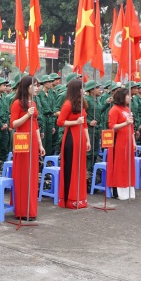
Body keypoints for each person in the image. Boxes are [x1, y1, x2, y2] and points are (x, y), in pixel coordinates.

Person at [9, 75, 45, 219]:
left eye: (37, 85)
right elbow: (13, 124)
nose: (37, 88)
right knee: (23, 175)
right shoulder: (17, 103)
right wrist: (26, 115)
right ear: (26, 87)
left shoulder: (34, 103)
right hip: (22, 141)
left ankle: (31, 209)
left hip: (33, 142)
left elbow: (35, 125)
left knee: (32, 175)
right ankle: (22, 210)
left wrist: (40, 144)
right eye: (34, 85)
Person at [56, 79, 90, 208]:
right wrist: (76, 122)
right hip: (71, 137)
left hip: (81, 137)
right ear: (76, 90)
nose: (84, 91)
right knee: (71, 166)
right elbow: (60, 122)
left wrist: (87, 140)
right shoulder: (68, 104)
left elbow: (85, 123)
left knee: (80, 167)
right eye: (82, 88)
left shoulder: (81, 103)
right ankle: (68, 198)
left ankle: (78, 197)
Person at [106, 87, 136, 200]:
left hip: (128, 140)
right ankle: (118, 189)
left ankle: (128, 187)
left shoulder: (127, 109)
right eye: (128, 95)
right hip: (118, 140)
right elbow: (112, 126)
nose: (130, 97)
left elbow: (131, 127)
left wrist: (133, 141)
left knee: (127, 165)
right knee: (119, 164)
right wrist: (125, 123)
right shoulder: (114, 109)